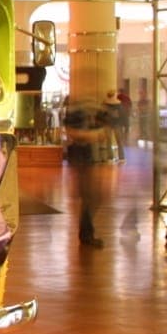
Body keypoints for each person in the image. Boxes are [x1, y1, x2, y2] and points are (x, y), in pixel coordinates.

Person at [64, 99, 105, 247]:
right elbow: (74, 134)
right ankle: (86, 234)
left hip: (86, 158)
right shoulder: (76, 112)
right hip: (83, 159)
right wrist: (91, 135)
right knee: (90, 196)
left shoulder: (82, 111)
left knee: (93, 196)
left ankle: (86, 233)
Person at [102, 90, 123, 163]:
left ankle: (110, 157)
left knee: (109, 141)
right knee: (119, 141)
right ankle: (121, 157)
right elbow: (122, 114)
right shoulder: (119, 103)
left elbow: (102, 113)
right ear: (114, 95)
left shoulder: (104, 103)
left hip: (107, 123)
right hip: (117, 123)